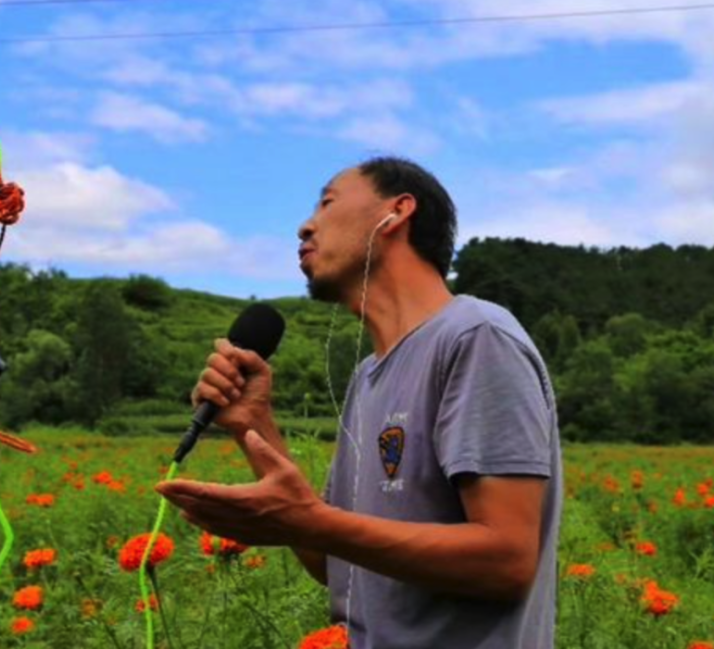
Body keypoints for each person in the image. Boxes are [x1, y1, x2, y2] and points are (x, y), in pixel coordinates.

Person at [156, 156, 562, 649]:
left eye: (327, 203)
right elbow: (335, 562)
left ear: (396, 213)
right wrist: (252, 425)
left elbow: (506, 562)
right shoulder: (369, 376)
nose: (305, 226)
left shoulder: (475, 337)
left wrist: (310, 520)